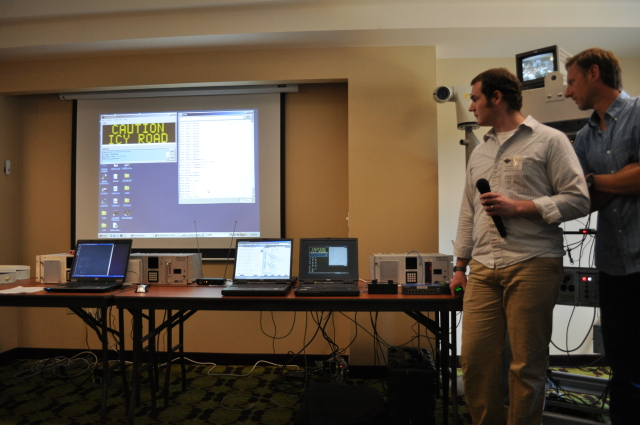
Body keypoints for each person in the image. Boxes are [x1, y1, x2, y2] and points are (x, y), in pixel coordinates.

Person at [450, 68, 590, 425]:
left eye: (475, 98)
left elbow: (578, 199)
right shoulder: (479, 152)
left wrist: (521, 207)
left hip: (533, 262)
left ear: (497, 98)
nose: (472, 107)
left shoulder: (550, 140)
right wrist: (459, 267)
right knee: (476, 362)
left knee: (526, 364)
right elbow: (469, 212)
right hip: (482, 267)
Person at [564, 47, 640, 424]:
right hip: (612, 264)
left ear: (595, 74)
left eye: (572, 80)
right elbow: (581, 198)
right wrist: (622, 179)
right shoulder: (583, 138)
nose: (566, 91)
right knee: (622, 365)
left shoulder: (639, 112)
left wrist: (597, 181)